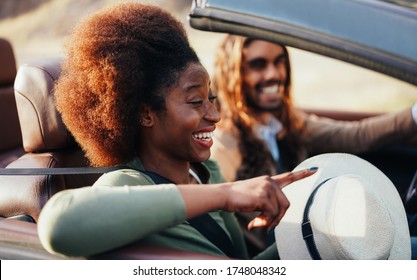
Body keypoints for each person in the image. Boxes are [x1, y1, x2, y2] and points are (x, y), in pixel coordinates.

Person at [36, 3, 317, 259]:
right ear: (146, 114)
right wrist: (226, 194)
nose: (215, 115)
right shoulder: (128, 183)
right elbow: (58, 226)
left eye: (211, 99)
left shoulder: (205, 172)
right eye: (196, 102)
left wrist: (313, 233)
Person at [210, 34, 417, 255]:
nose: (274, 74)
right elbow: (222, 221)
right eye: (258, 65)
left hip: (323, 232)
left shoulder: (289, 122)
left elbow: (356, 135)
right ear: (233, 73)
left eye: (279, 62)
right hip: (286, 253)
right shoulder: (224, 143)